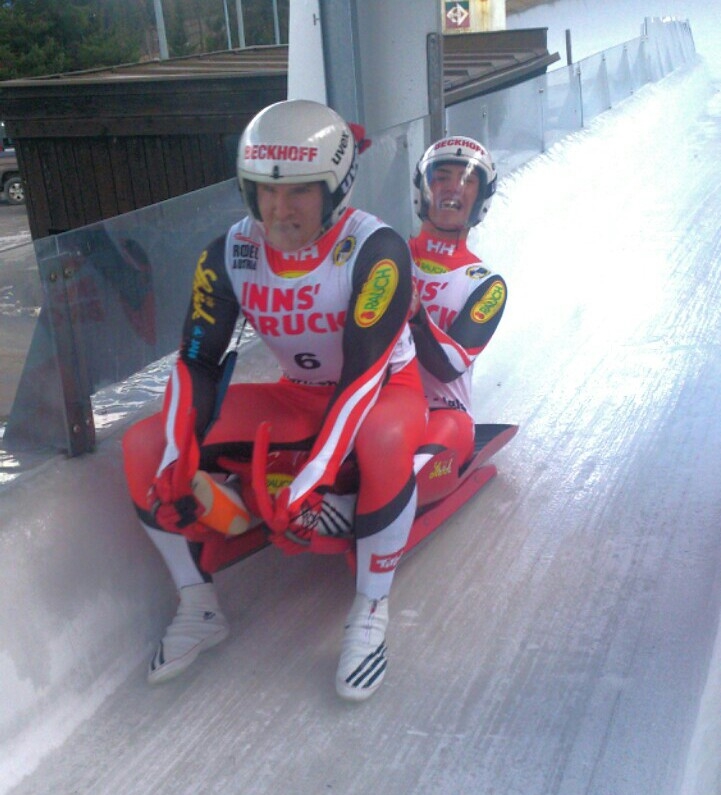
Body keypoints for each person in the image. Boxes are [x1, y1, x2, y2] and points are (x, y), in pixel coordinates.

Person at [122, 99, 427, 702]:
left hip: (384, 391)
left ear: (336, 189)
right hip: (297, 396)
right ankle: (198, 603)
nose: (279, 210)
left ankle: (370, 608)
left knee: (384, 437)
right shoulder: (228, 253)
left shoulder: (378, 250)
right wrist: (176, 457)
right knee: (143, 444)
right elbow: (197, 362)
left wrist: (314, 475)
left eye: (299, 192)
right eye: (265, 190)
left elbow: (362, 379)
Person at [409, 136, 507, 468]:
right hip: (380, 406)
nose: (453, 188)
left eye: (467, 181)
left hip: (445, 415)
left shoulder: (488, 285)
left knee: (400, 473)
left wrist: (416, 316)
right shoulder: (387, 255)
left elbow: (449, 366)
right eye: (441, 177)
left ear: (481, 198)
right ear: (423, 190)